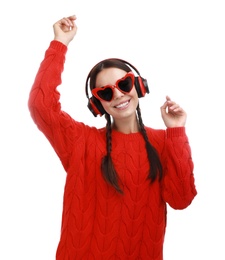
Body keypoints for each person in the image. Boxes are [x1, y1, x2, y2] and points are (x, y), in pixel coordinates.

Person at [28, 15, 197, 260]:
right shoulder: (81, 141)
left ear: (138, 86)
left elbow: (181, 199)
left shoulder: (163, 142)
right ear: (98, 104)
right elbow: (40, 105)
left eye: (124, 84)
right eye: (106, 92)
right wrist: (60, 43)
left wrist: (177, 131)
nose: (118, 94)